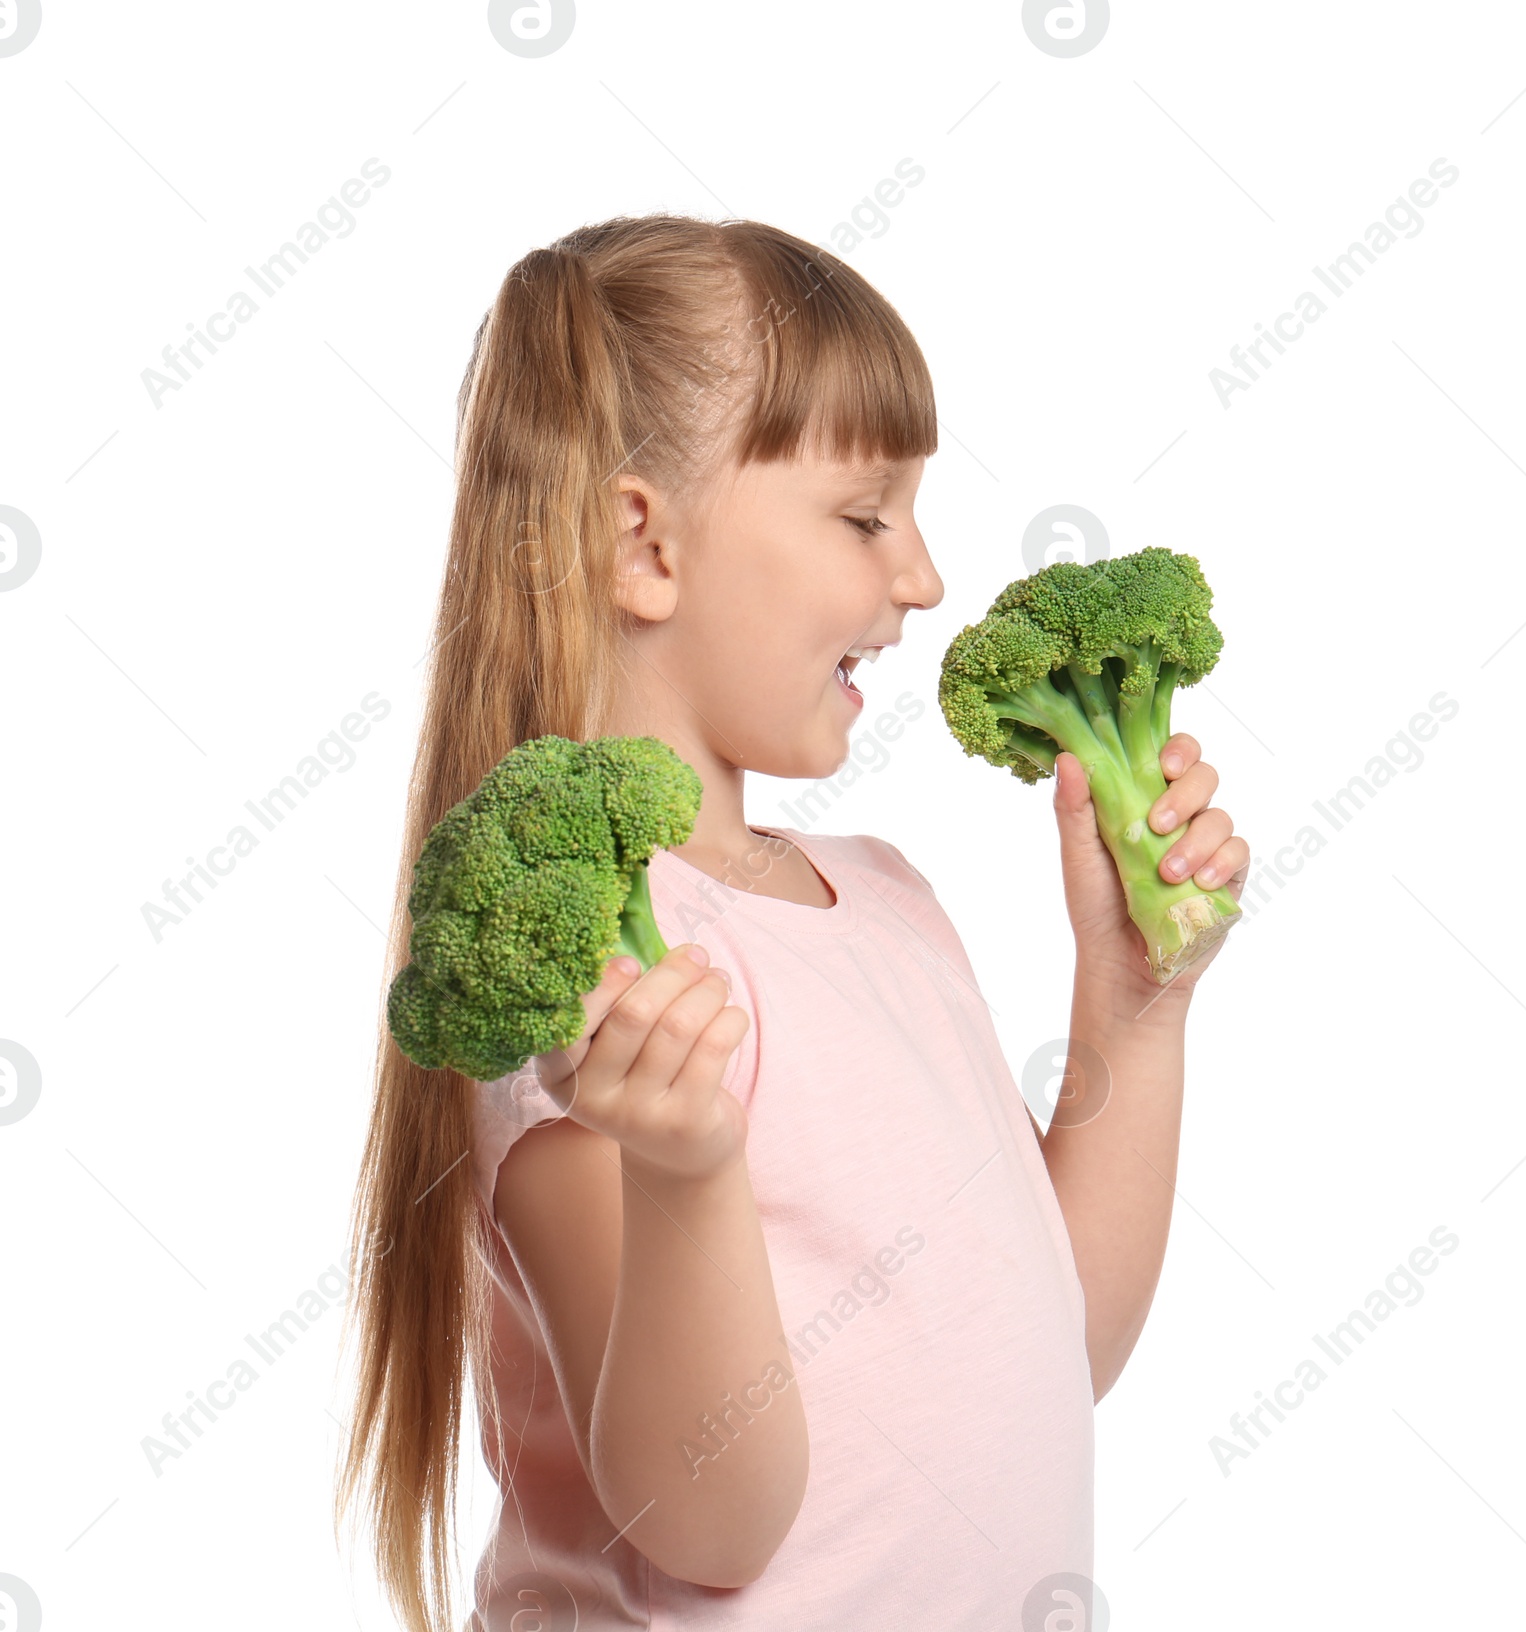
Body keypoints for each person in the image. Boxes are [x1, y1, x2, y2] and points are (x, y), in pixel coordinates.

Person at [335, 214, 1250, 1632]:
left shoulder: (888, 902)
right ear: (644, 543)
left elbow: (1054, 1345)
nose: (926, 577)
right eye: (864, 515)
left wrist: (1137, 1002)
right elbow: (705, 1519)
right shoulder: (592, 978)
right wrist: (687, 1172)